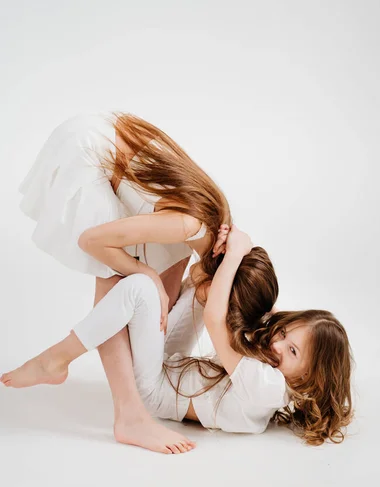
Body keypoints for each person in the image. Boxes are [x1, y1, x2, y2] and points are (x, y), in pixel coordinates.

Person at [2, 226, 353, 450]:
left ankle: (56, 359)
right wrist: (225, 250)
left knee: (139, 288)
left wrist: (234, 254)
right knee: (204, 279)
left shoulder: (268, 388)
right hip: (170, 364)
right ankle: (149, 277)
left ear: (309, 378)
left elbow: (216, 320)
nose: (276, 343)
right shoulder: (271, 368)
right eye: (283, 333)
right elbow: (224, 307)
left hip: (153, 390)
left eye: (291, 350)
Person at [15, 111, 236, 451]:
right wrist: (143, 272)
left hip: (98, 134)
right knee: (116, 274)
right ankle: (125, 414)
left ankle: (112, 387)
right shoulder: (188, 226)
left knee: (155, 269)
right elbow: (90, 241)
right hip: (84, 150)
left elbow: (166, 303)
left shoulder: (210, 225)